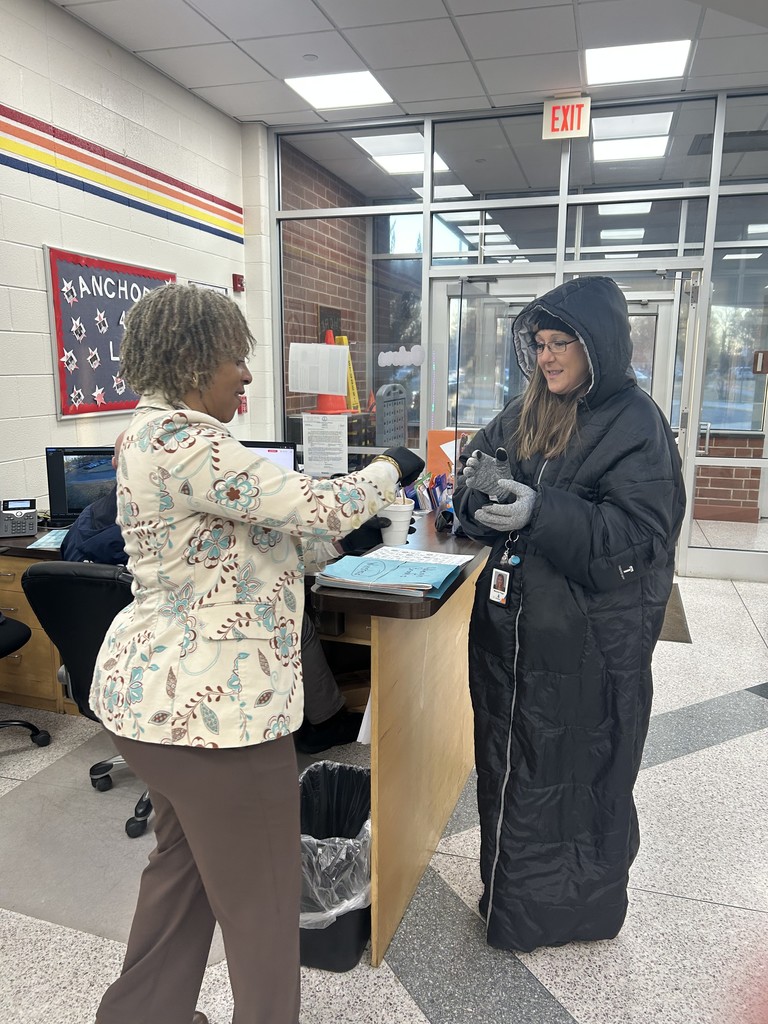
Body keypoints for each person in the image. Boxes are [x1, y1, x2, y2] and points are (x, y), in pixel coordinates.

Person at [89, 282, 423, 1024]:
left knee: (182, 875)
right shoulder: (185, 439)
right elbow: (319, 505)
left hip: (155, 711)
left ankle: (144, 1016)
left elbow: (258, 537)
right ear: (192, 358)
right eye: (235, 359)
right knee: (264, 906)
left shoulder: (149, 435)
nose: (245, 375)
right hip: (216, 724)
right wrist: (395, 467)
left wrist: (334, 538)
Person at [453, 276, 685, 954]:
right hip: (513, 644)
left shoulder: (635, 424)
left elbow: (640, 539)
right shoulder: (528, 411)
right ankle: (510, 900)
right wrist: (479, 502)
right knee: (512, 774)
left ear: (599, 348)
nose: (548, 358)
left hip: (585, 649)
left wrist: (540, 511)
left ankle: (564, 915)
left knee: (575, 778)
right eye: (541, 344)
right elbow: (476, 474)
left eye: (563, 345)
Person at [61, 437, 389, 754]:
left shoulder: (87, 518)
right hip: (183, 652)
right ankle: (325, 724)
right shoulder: (177, 517)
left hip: (119, 667)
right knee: (292, 618)